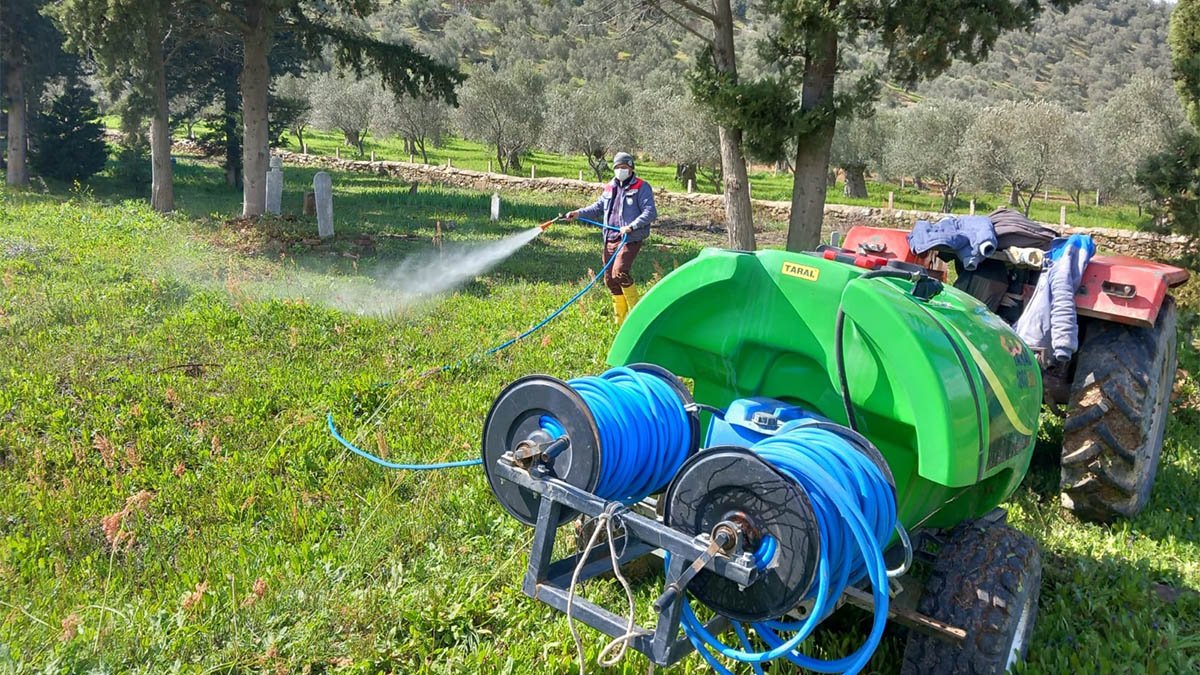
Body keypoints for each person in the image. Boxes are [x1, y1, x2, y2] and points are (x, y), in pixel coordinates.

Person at [566, 152, 657, 325]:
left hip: (629, 238)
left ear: (631, 168)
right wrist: (578, 213)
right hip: (610, 237)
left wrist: (632, 226)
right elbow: (597, 207)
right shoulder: (610, 187)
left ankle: (636, 315)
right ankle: (620, 320)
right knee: (609, 279)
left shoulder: (642, 186)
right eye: (617, 167)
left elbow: (650, 212)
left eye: (624, 167)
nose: (620, 170)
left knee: (620, 272)